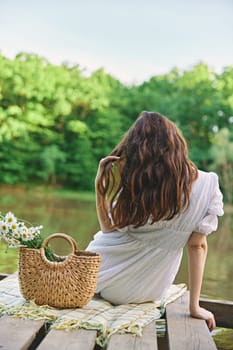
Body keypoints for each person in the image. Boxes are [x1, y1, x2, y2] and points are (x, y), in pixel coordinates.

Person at [87, 111, 224, 331]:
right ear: (177, 144)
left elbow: (107, 231)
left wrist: (99, 188)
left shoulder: (138, 186)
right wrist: (194, 306)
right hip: (151, 289)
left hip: (105, 279)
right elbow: (197, 246)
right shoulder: (208, 185)